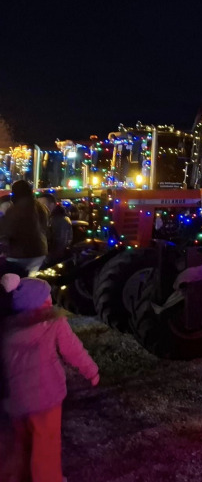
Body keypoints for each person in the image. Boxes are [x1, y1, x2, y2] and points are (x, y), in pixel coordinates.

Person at [1, 277, 99, 482]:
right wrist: (91, 371)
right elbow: (72, 349)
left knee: (20, 442)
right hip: (46, 397)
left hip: (14, 399)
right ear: (42, 301)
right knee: (45, 445)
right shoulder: (53, 322)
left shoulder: (6, 327)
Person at [0, 181, 49, 275]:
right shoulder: (41, 207)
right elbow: (45, 227)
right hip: (39, 251)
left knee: (16, 282)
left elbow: (7, 231)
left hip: (19, 254)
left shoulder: (14, 210)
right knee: (32, 280)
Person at [37, 194, 73, 267]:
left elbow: (60, 244)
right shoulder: (46, 218)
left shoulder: (60, 220)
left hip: (53, 263)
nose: (40, 208)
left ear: (52, 204)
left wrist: (46, 261)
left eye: (43, 204)